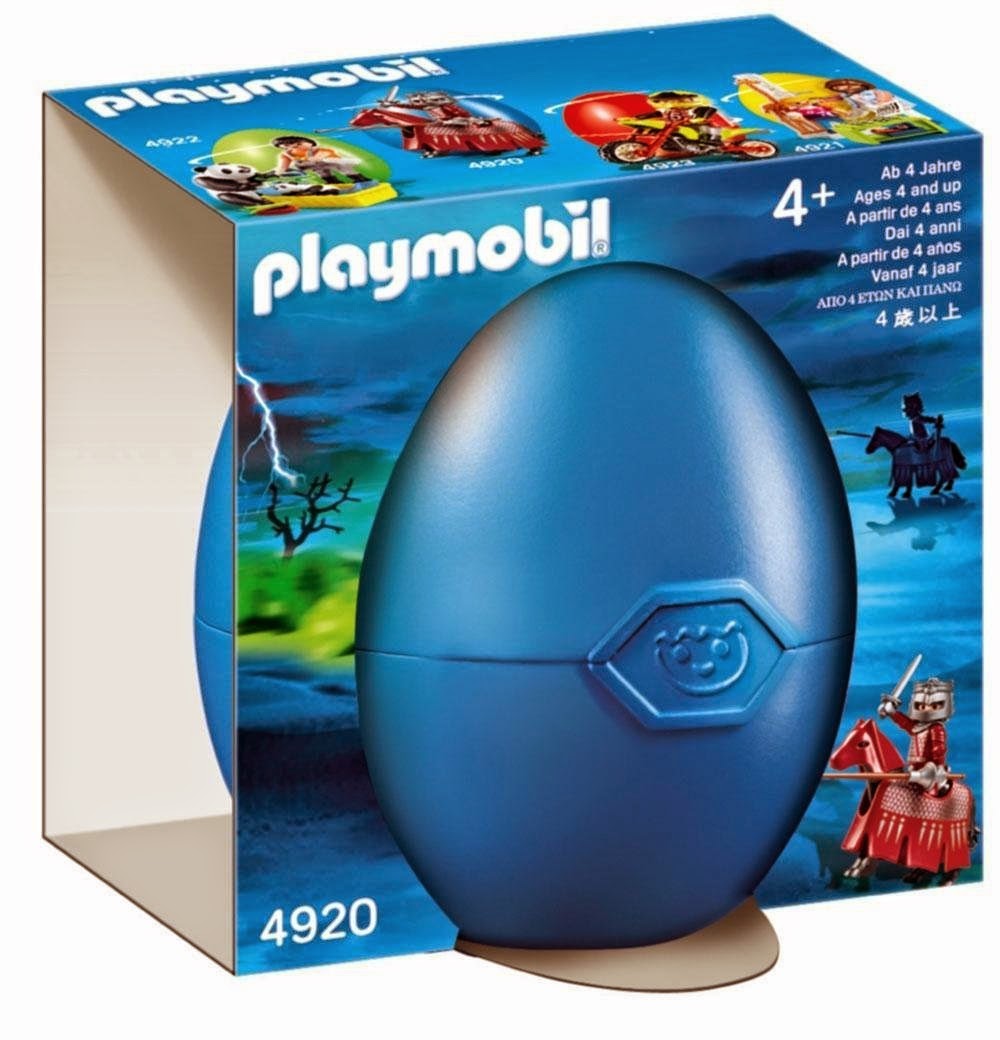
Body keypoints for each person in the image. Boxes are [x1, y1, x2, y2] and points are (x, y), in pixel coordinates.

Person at [271, 135, 369, 185]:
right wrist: (275, 175)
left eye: (297, 145)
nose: (289, 148)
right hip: (315, 165)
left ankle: (363, 181)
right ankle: (335, 183)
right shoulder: (285, 154)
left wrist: (292, 157)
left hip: (330, 160)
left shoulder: (316, 149)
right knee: (323, 173)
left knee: (344, 169)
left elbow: (314, 159)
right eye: (285, 147)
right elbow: (282, 168)